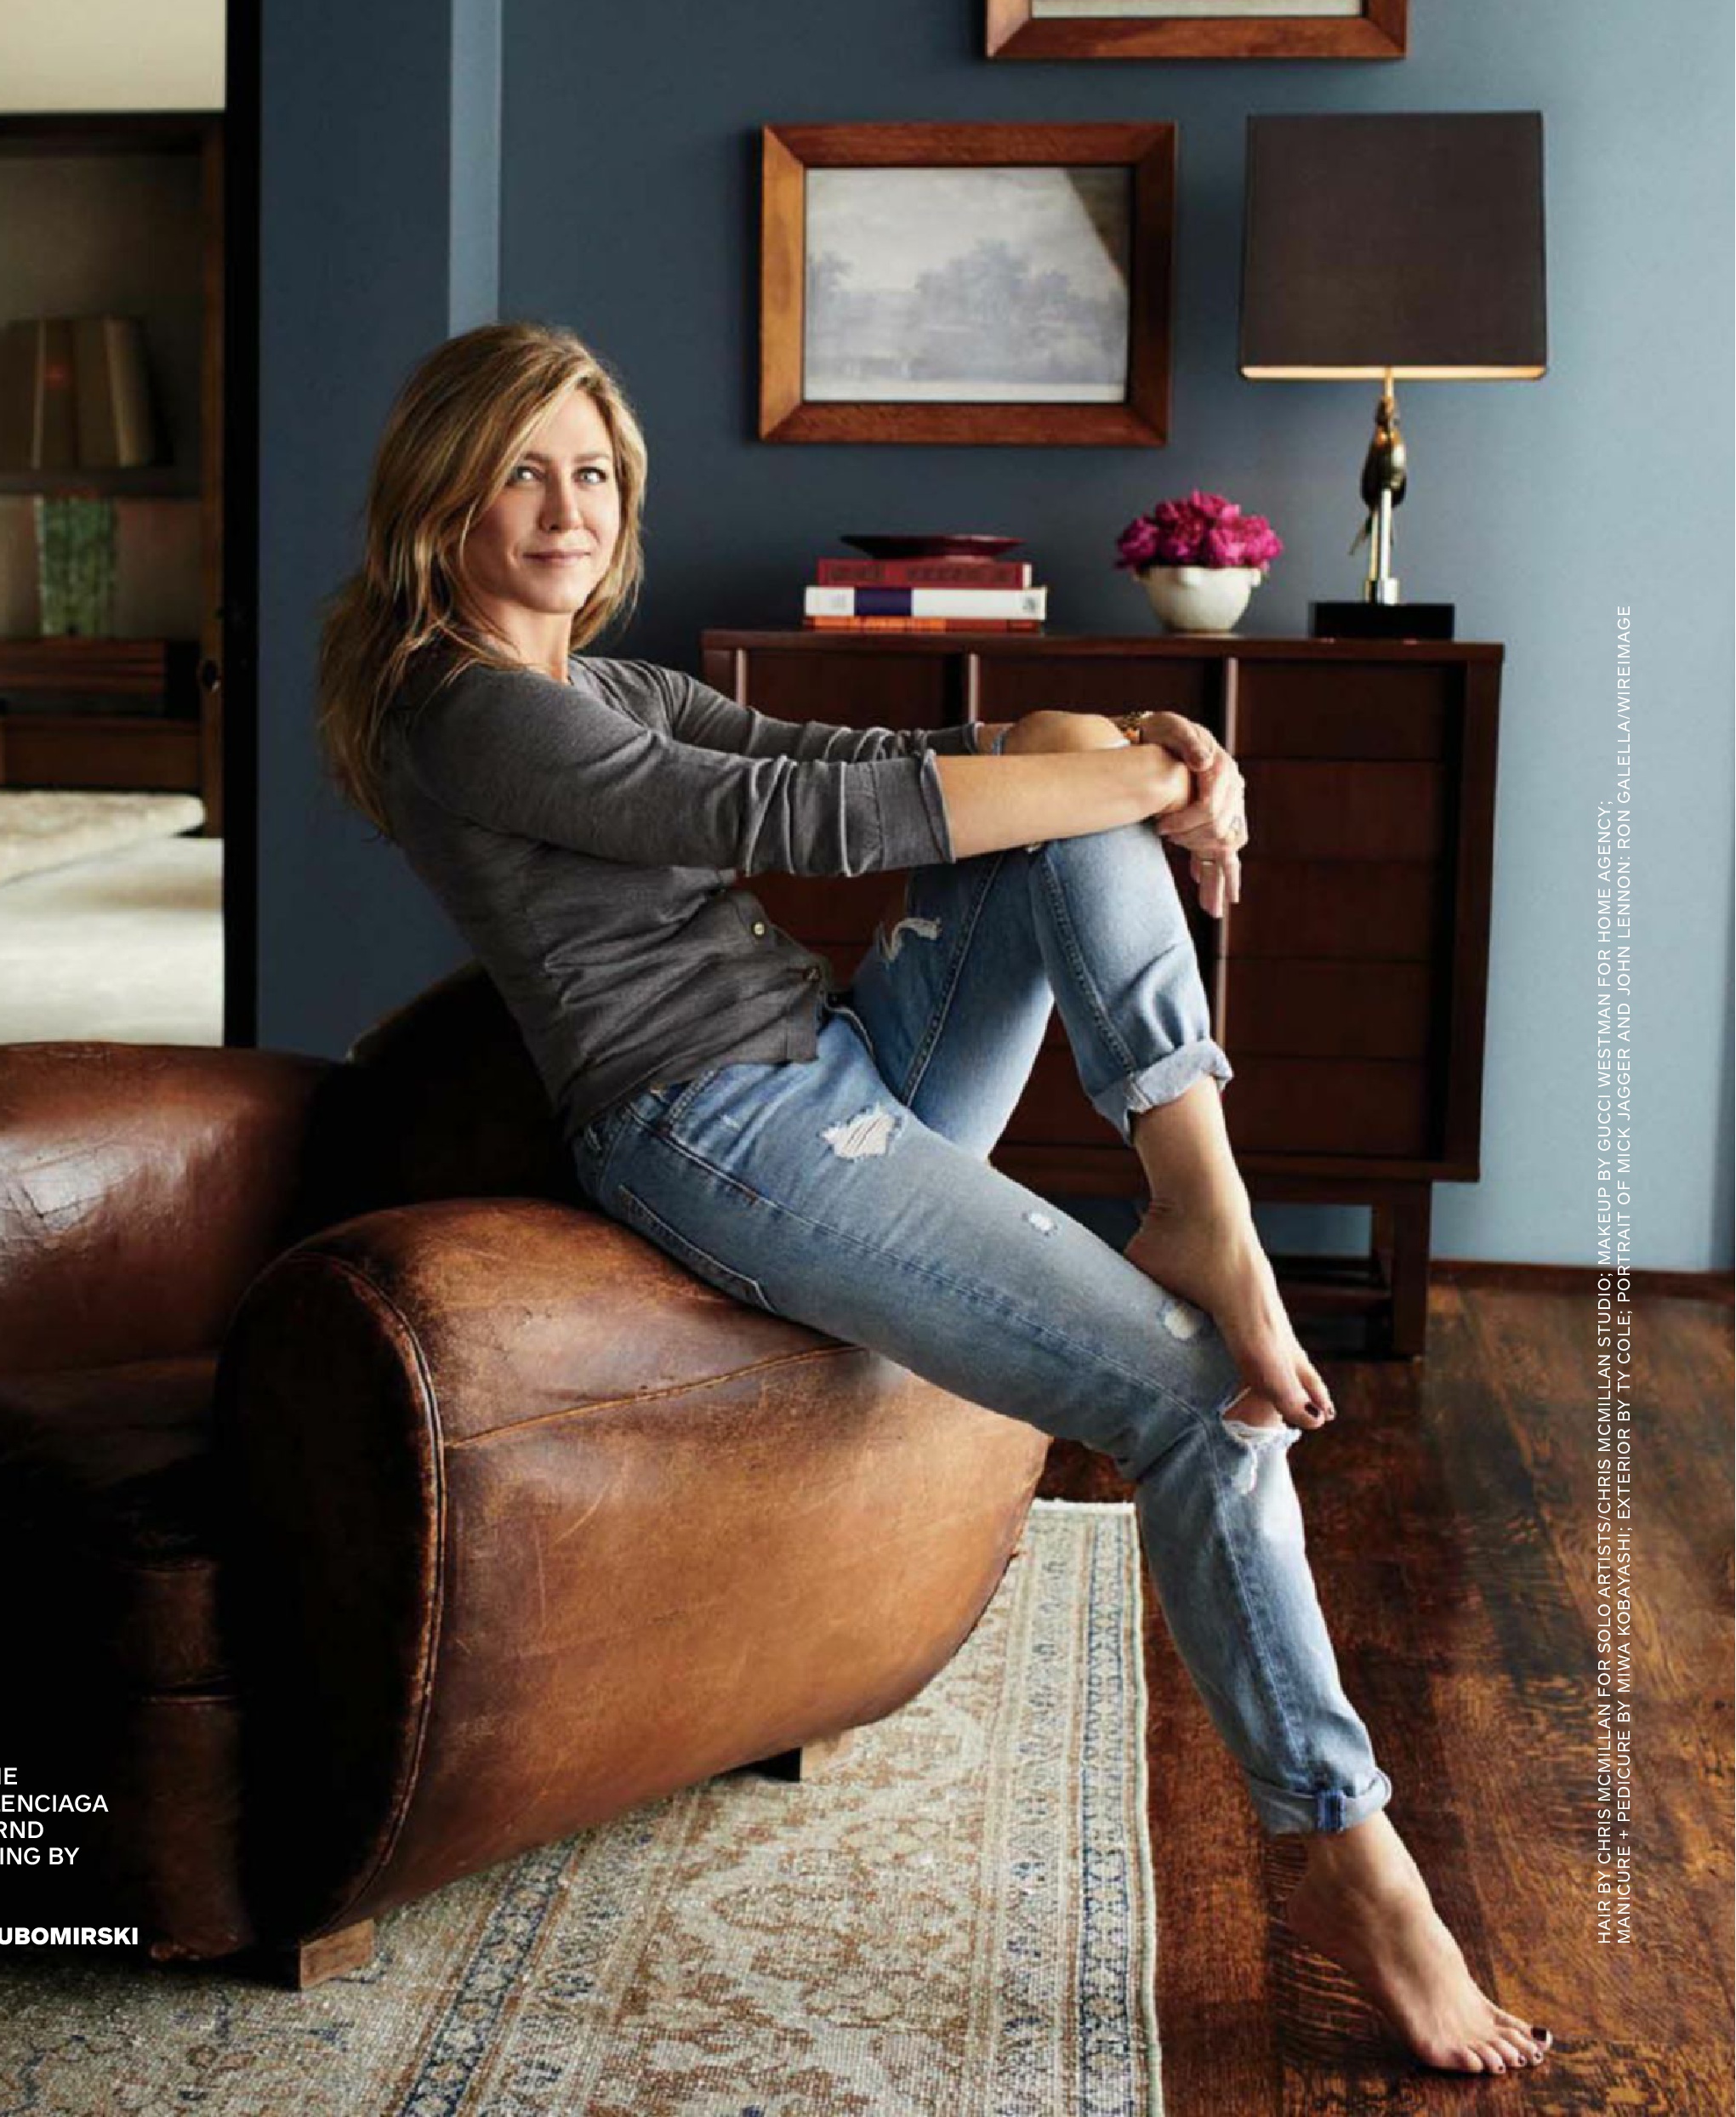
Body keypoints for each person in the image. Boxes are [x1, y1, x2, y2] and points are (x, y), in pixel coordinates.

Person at [317, 319, 1556, 2079]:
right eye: (522, 471)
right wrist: (1166, 777)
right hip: (722, 1131)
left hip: (838, 1065)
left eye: (590, 471)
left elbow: (845, 762)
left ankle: (1197, 1198)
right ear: (441, 500)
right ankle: (1364, 1870)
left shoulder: (610, 687)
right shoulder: (463, 714)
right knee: (1201, 1400)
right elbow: (782, 818)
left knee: (1055, 743)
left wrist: (1135, 747)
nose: (567, 508)